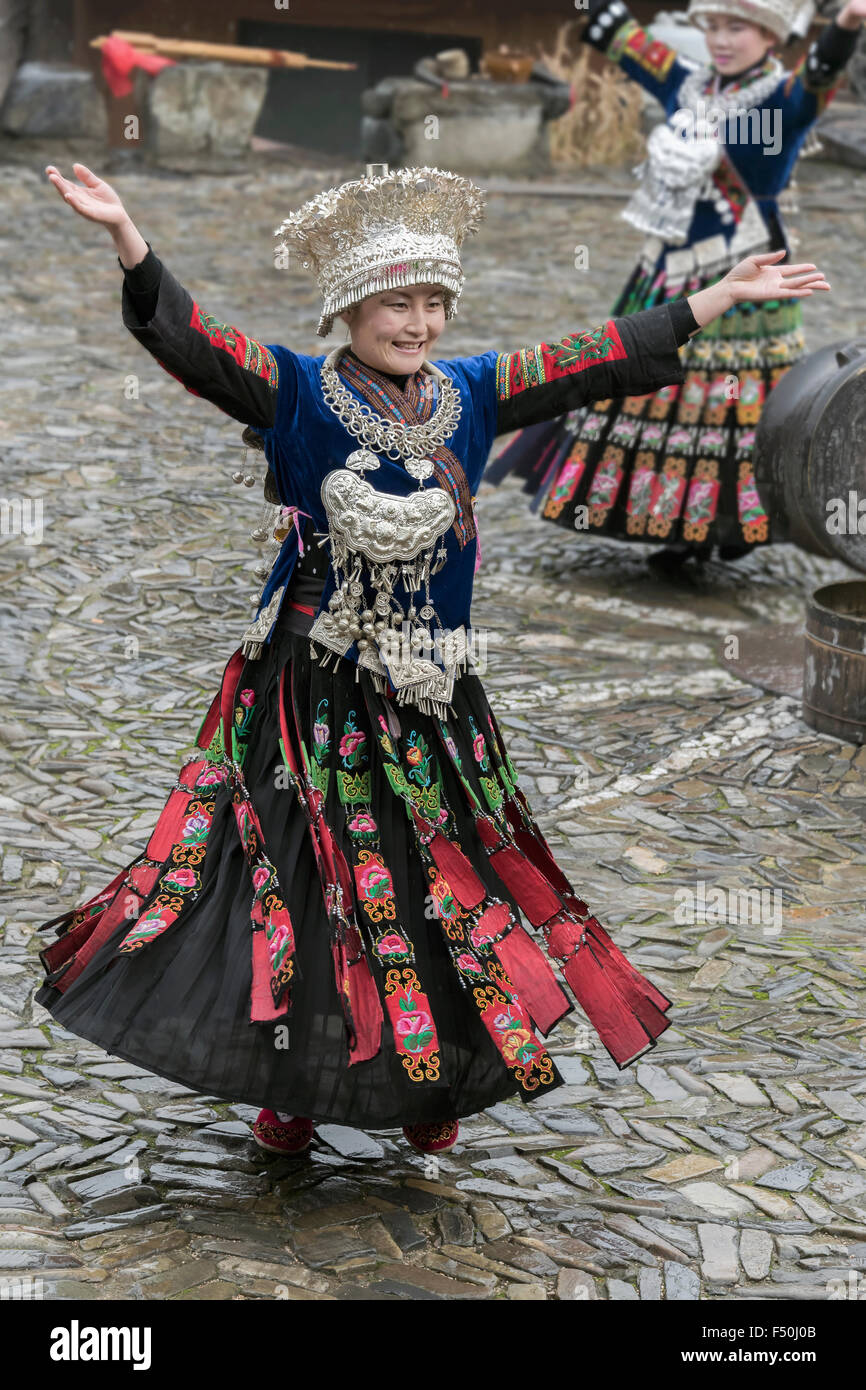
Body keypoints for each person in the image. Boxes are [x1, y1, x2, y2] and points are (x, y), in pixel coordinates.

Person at [36, 160, 828, 1158]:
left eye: (430, 304)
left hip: (431, 692)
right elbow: (195, 345)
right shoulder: (295, 392)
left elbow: (597, 355)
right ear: (349, 309)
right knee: (308, 874)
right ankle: (292, 1087)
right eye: (392, 304)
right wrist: (128, 237)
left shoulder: (472, 389)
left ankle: (428, 1079)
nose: (416, 324)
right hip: (312, 692)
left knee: (436, 880)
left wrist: (714, 295)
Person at [487, 0, 863, 570]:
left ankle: (735, 521)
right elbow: (623, 39)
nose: (720, 39)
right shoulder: (686, 84)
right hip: (666, 270)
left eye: (736, 27)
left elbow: (819, 77)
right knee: (653, 385)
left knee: (737, 402)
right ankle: (676, 524)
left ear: (769, 33)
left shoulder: (782, 101)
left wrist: (845, 26)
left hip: (745, 270)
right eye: (712, 26)